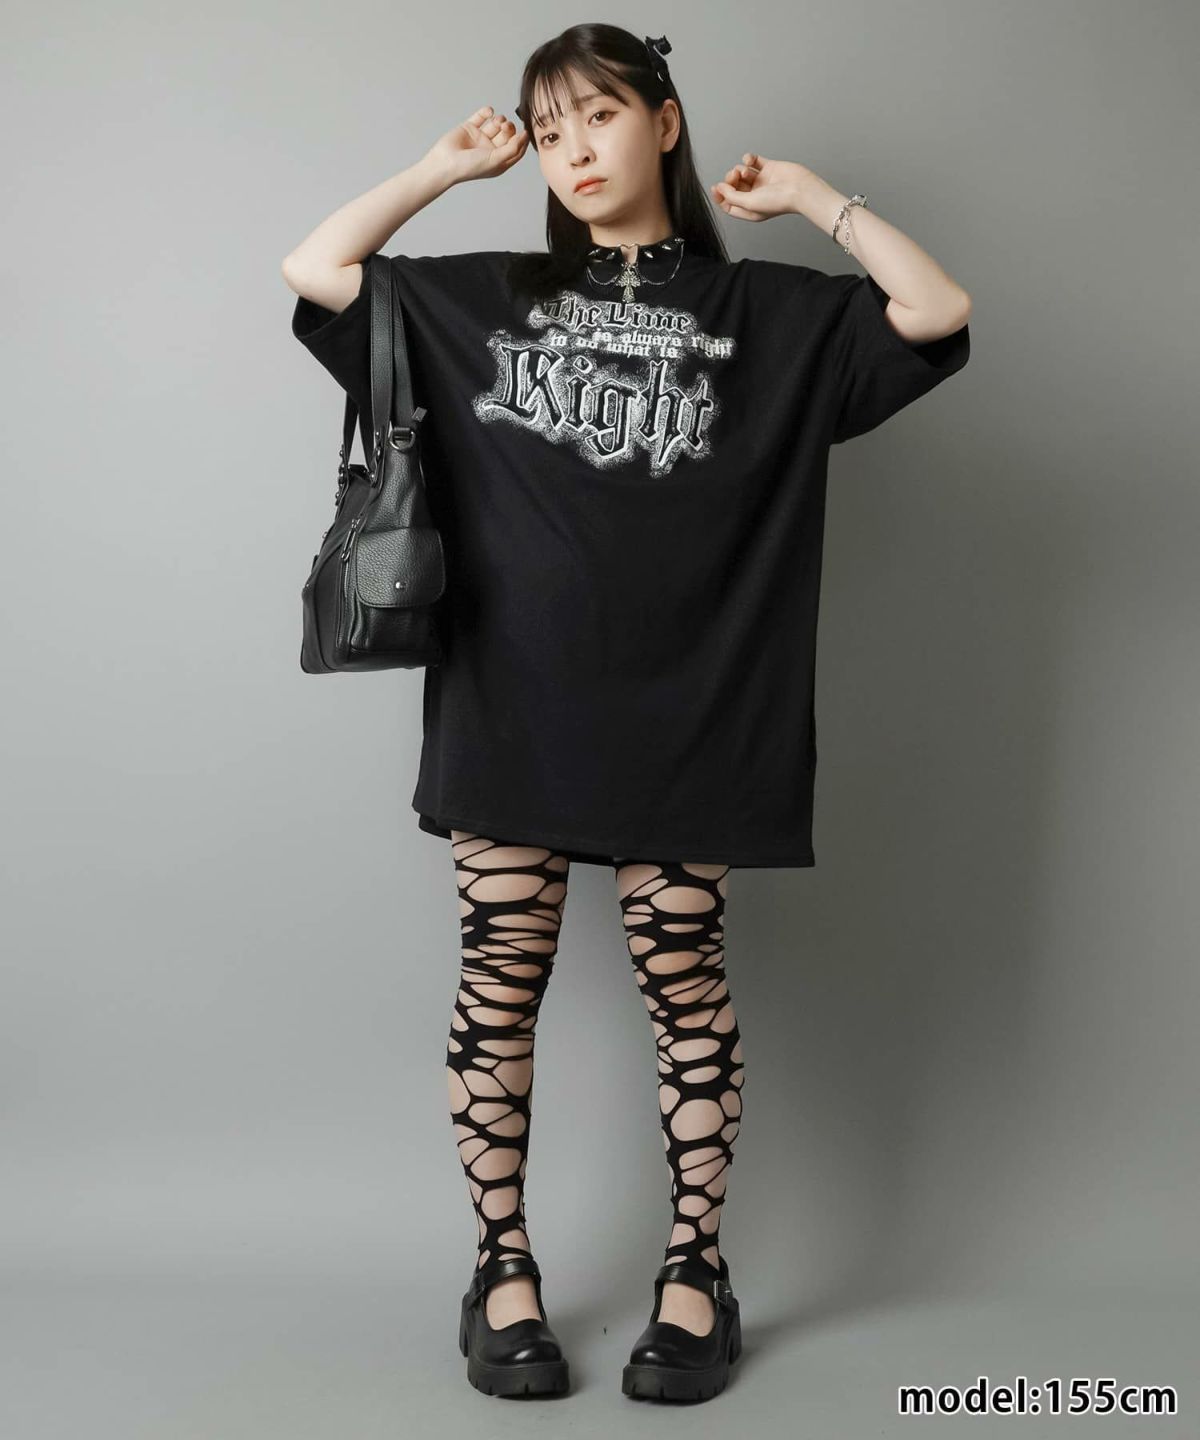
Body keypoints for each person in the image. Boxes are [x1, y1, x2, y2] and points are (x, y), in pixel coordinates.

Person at [282, 22, 971, 1405]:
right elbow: (318, 270)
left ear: (664, 121)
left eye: (598, 115)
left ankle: (695, 1273)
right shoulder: (484, 298)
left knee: (685, 983)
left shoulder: (766, 315)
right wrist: (439, 170)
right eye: (549, 131)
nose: (573, 149)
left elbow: (935, 312)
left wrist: (815, 198)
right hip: (515, 697)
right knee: (501, 982)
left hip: (694, 701)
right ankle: (502, 1271)